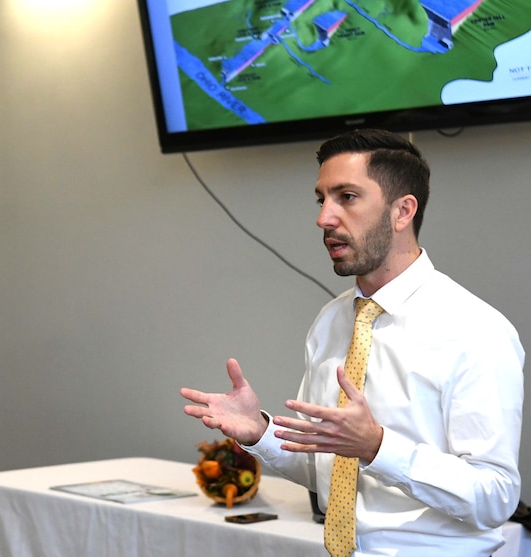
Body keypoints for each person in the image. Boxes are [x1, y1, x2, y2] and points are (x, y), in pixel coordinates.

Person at [181, 129, 524, 556]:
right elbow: (324, 468)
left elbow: (496, 497)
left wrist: (378, 447)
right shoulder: (332, 320)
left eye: (347, 196)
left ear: (403, 211)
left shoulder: (475, 329)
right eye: (321, 199)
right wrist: (260, 433)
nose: (324, 218)